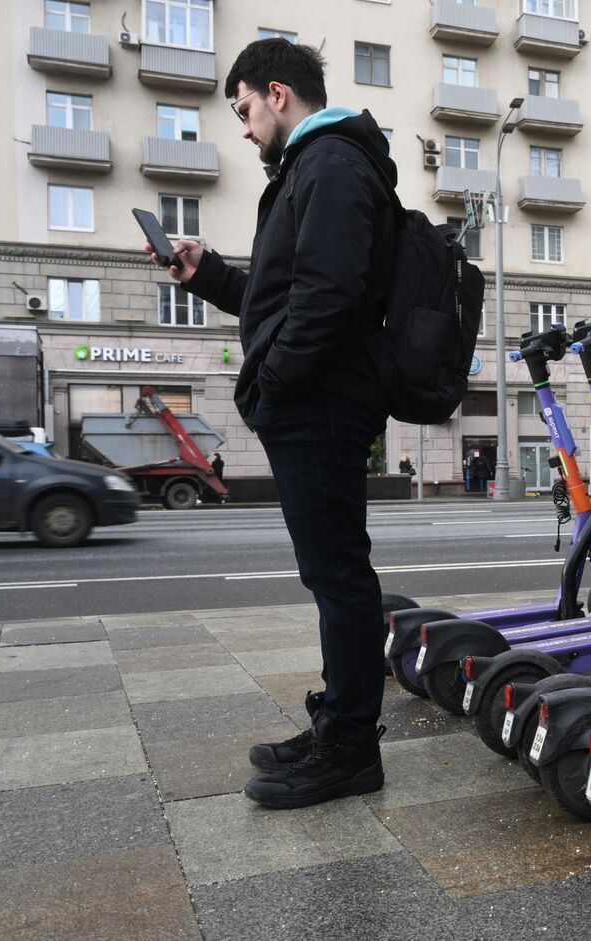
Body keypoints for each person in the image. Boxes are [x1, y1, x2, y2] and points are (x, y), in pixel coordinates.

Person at [143, 39, 396, 809]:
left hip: (320, 399)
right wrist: (208, 274)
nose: (245, 127)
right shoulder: (315, 166)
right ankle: (338, 723)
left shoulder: (331, 164)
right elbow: (284, 292)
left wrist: (273, 383)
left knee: (338, 574)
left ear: (278, 93)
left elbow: (325, 296)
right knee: (331, 572)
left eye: (245, 109)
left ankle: (350, 747)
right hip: (316, 396)